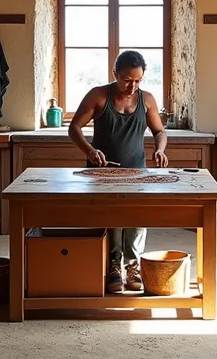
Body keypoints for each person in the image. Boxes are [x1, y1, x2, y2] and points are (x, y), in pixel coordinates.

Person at [68, 50, 169, 293]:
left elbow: (159, 132)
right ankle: (113, 268)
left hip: (137, 172)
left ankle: (133, 268)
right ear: (115, 74)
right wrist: (90, 151)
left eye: (138, 81)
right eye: (127, 80)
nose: (132, 86)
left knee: (136, 220)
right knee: (110, 220)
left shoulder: (147, 100)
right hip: (102, 173)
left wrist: (160, 150)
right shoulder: (99, 95)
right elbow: (74, 128)